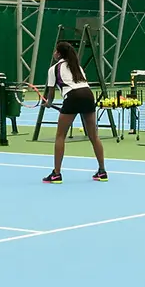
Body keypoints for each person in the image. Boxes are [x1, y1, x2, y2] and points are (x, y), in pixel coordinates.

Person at [40, 40, 107, 184]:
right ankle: (102, 172)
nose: (54, 53)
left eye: (55, 51)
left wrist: (48, 103)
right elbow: (80, 85)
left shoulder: (53, 69)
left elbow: (51, 94)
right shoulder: (78, 67)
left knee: (60, 136)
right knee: (94, 136)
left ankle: (56, 174)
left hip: (73, 97)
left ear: (59, 54)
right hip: (88, 95)